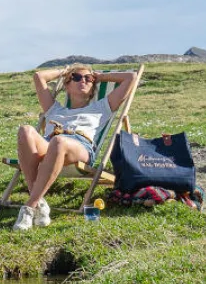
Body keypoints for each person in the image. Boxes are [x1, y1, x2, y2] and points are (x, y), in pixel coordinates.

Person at [13, 63, 138, 231]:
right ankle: (40, 202)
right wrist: (64, 72)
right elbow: (39, 77)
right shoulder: (53, 108)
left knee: (60, 142)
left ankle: (29, 206)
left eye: (88, 79)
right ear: (67, 84)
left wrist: (100, 77)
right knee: (25, 130)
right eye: (77, 77)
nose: (83, 81)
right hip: (50, 146)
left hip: (80, 148)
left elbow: (131, 78)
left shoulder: (101, 107)